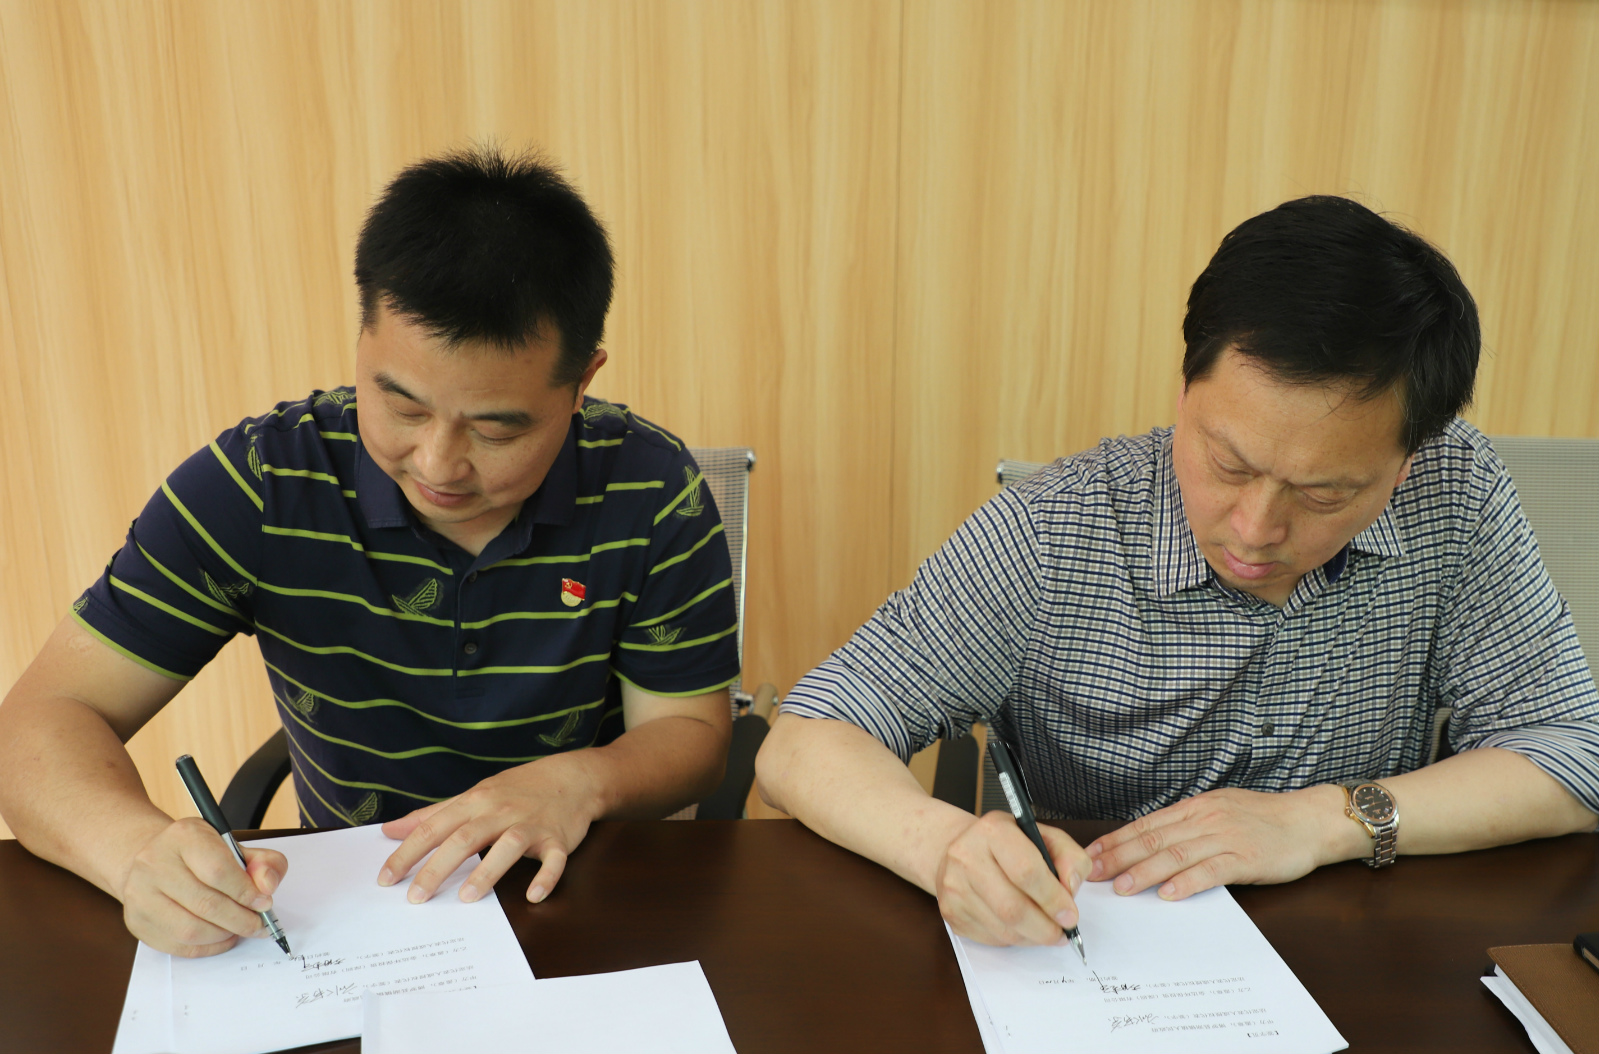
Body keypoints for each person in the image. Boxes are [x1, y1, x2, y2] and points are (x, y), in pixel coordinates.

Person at [756, 195, 1599, 948]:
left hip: (1354, 953)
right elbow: (804, 740)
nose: (1255, 529)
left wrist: (1323, 820)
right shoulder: (1055, 529)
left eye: (1323, 493)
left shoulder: (1454, 492)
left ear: (1407, 462)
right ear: (1184, 393)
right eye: (1227, 463)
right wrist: (944, 847)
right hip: (1090, 946)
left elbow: (1572, 753)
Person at [0, 147, 740, 957]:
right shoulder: (262, 484)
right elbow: (42, 719)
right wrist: (135, 854)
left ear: (581, 382)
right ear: (363, 340)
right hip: (350, 917)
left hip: (572, 897)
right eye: (403, 407)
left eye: (496, 429)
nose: (438, 464)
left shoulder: (649, 488)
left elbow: (690, 731)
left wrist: (581, 780)